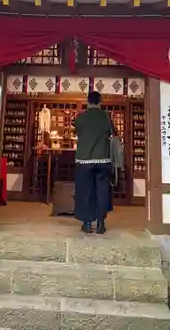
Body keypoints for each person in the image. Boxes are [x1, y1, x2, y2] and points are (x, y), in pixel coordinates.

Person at [74, 90, 115, 234]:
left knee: (86, 191)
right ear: (101, 102)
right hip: (103, 159)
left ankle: (86, 224)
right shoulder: (106, 117)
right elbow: (112, 134)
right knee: (102, 191)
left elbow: (77, 132)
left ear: (87, 102)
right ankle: (100, 224)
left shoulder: (80, 118)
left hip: (84, 160)